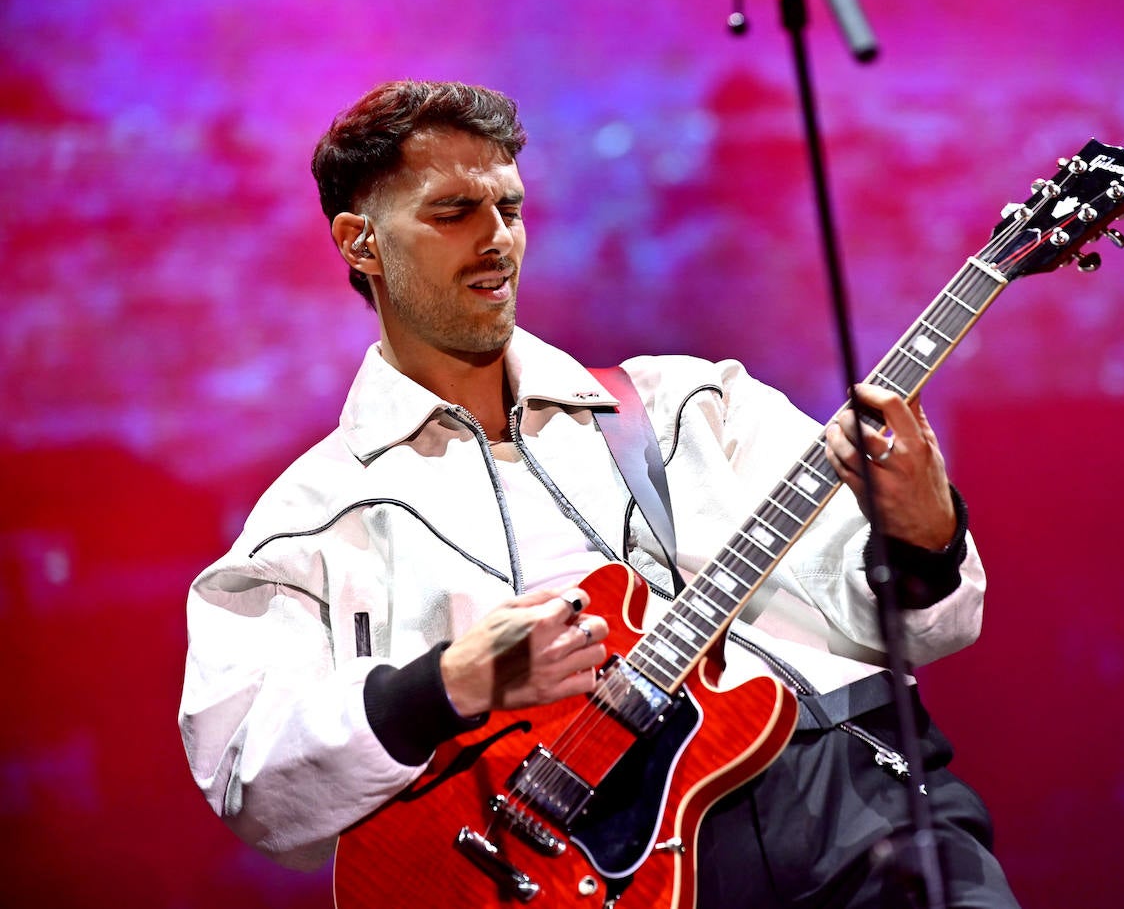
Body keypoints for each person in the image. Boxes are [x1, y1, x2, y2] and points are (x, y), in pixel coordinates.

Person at [178, 79, 1020, 909]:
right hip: (585, 874)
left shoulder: (690, 403)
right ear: (360, 241)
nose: (496, 239)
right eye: (453, 212)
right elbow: (251, 779)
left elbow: (923, 626)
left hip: (848, 810)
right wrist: (445, 684)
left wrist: (922, 533)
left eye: (509, 208)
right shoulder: (311, 519)